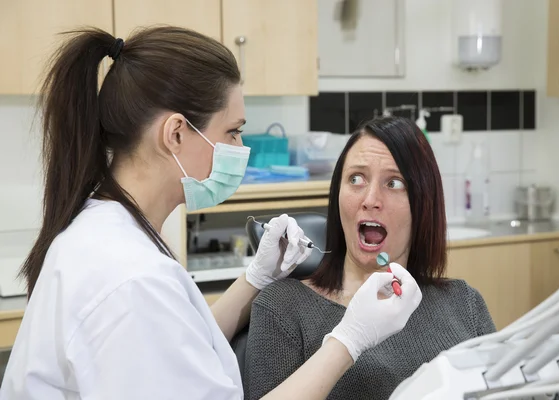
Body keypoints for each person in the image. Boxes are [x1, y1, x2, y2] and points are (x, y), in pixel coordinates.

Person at [0, 27, 423, 400]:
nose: (240, 149)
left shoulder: (110, 234)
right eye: (232, 132)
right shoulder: (132, 280)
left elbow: (181, 346)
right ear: (177, 133)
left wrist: (255, 278)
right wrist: (350, 338)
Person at [243, 116, 497, 400]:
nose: (371, 198)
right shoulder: (282, 308)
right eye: (356, 179)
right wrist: (349, 339)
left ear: (424, 204)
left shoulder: (464, 303)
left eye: (394, 183)